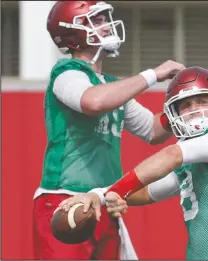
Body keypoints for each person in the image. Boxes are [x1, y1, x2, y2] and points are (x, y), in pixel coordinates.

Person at [58, 66, 208, 260]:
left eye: (202, 101)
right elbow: (147, 191)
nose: (195, 109)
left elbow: (171, 156)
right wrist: (100, 195)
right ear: (173, 114)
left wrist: (117, 190)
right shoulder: (191, 164)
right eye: (186, 105)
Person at [33, 1, 185, 260]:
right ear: (75, 29)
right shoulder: (66, 72)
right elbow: (93, 101)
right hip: (66, 198)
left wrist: (184, 107)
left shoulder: (111, 86)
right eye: (98, 19)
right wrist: (152, 75)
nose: (106, 25)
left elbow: (152, 130)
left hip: (103, 201)